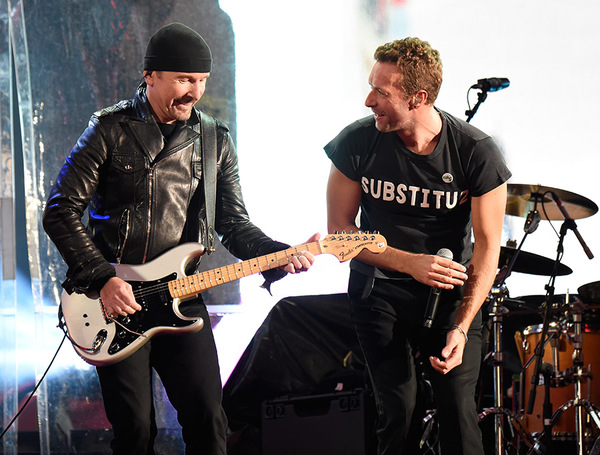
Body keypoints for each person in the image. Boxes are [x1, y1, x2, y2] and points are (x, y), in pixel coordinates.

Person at [43, 22, 317, 455]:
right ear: (151, 75)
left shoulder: (214, 140)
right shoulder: (109, 129)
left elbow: (234, 223)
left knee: (209, 420)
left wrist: (279, 254)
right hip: (115, 297)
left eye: (202, 81)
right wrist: (101, 278)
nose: (195, 91)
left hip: (181, 295)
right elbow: (59, 210)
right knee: (135, 430)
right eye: (185, 80)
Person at [325, 37, 511, 455]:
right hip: (378, 292)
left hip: (452, 298)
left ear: (419, 98)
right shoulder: (357, 142)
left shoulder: (476, 153)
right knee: (398, 413)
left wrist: (462, 326)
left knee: (459, 416)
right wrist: (408, 263)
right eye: (371, 85)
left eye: (382, 92)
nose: (368, 99)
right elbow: (338, 233)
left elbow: (486, 248)